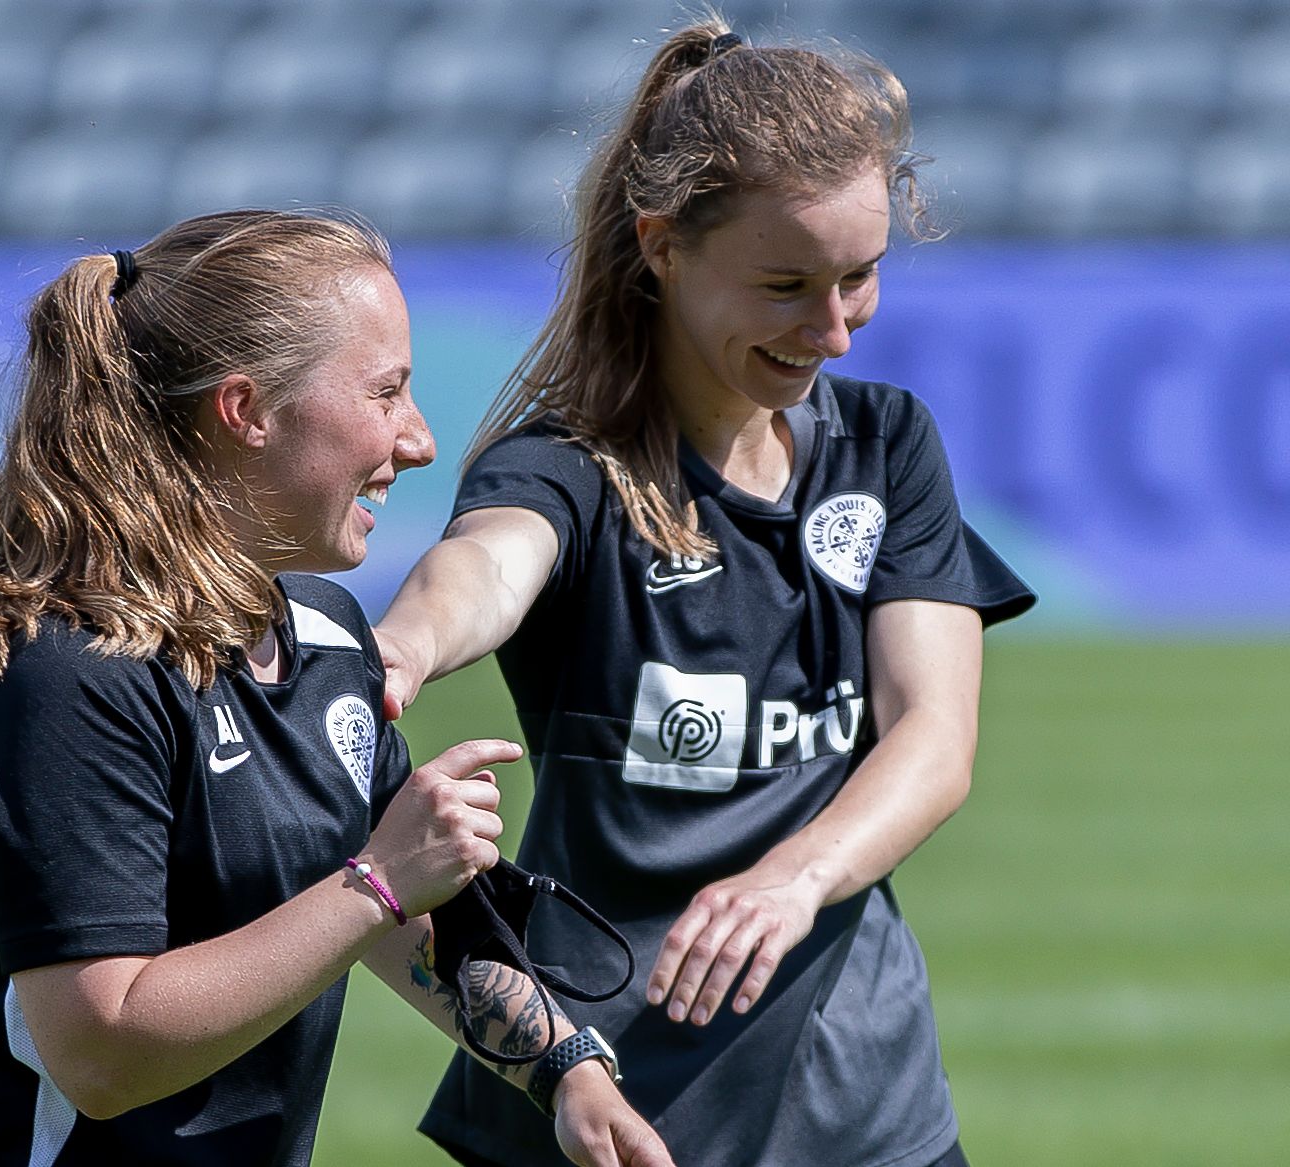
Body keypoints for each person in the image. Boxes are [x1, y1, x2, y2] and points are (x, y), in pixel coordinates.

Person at [374, 21, 1036, 1167]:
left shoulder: (885, 448)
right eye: (784, 285)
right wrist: (403, 644)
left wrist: (794, 878)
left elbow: (933, 736)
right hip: (592, 1097)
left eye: (859, 278)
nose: (830, 331)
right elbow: (486, 564)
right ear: (662, 247)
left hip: (862, 1106)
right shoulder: (565, 469)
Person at [0, 210, 673, 1167]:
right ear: (246, 410)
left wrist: (569, 1071)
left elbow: (408, 920)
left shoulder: (327, 631)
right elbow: (100, 1049)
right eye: (385, 392)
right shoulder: (69, 670)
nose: (419, 440)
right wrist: (376, 881)